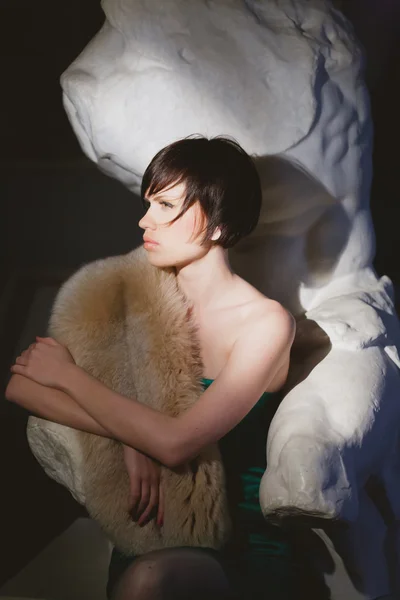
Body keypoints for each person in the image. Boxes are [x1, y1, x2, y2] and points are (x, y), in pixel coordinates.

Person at [6, 136, 296, 600]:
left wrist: (70, 377)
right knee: (144, 577)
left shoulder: (265, 324)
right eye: (148, 204)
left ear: (218, 224)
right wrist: (125, 433)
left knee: (152, 583)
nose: (145, 221)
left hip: (236, 545)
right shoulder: (131, 293)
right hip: (149, 534)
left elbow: (175, 443)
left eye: (165, 205)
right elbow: (23, 387)